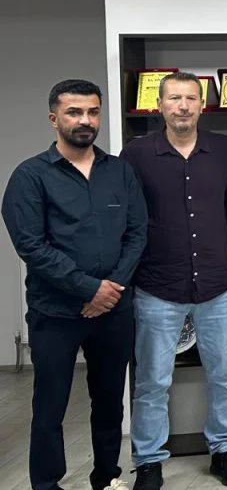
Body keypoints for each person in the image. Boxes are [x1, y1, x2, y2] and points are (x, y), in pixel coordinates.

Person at [3, 79, 146, 490]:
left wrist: (110, 289)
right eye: (74, 112)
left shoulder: (119, 171)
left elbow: (138, 233)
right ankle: (47, 484)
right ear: (54, 119)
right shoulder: (30, 176)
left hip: (113, 310)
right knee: (50, 406)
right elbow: (32, 246)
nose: (85, 120)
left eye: (92, 112)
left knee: (109, 403)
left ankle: (107, 477)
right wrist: (88, 289)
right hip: (55, 313)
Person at [119, 72, 227, 488]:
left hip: (217, 283)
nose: (183, 106)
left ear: (202, 105)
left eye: (191, 98)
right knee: (152, 380)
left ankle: (224, 450)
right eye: (174, 98)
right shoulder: (136, 154)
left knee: (223, 373)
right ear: (159, 105)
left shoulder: (225, 149)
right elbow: (129, 217)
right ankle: (149, 461)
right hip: (158, 285)